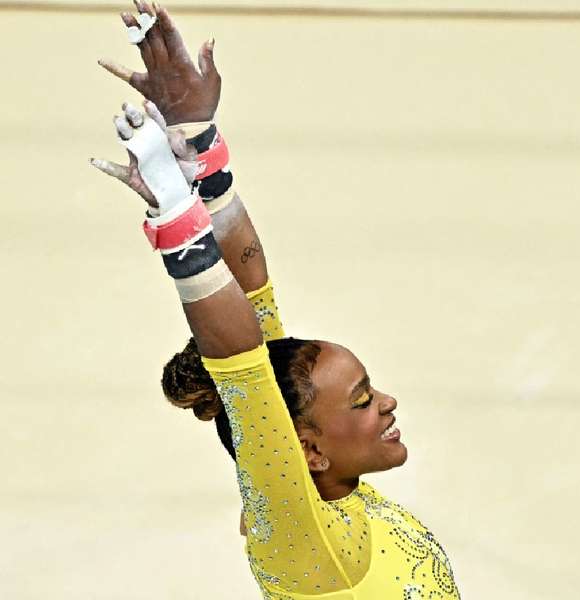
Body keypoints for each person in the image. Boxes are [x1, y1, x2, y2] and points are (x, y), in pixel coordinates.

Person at [91, 3, 460, 598]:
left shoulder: (330, 492)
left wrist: (196, 138)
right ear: (308, 450)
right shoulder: (299, 537)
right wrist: (175, 217)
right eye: (363, 400)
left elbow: (252, 289)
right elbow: (240, 365)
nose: (388, 402)